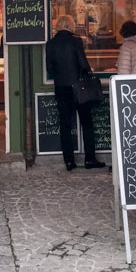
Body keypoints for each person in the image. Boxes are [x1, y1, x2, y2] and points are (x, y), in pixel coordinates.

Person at [45, 14, 106, 171]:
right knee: (86, 123)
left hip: (61, 88)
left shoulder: (50, 43)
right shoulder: (76, 41)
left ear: (58, 25)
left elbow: (49, 69)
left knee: (65, 124)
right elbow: (83, 65)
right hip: (79, 88)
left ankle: (69, 161)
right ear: (71, 25)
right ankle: (90, 159)